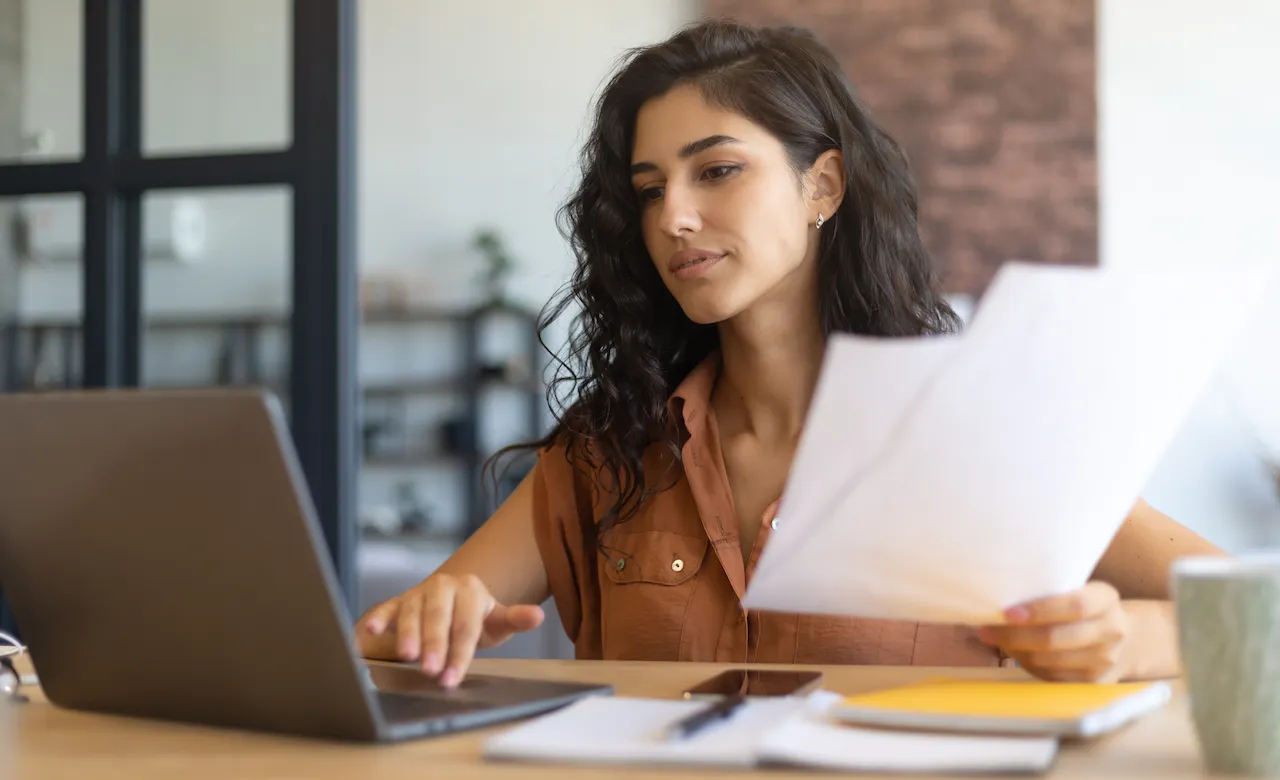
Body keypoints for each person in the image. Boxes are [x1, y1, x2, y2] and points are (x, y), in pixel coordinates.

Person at [356, 19, 1222, 687]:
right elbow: (390, 640)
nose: (674, 218)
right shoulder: (606, 450)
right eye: (650, 190)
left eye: (717, 171)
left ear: (822, 186)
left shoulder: (971, 433)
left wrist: (1129, 638)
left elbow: (1250, 606)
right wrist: (428, 620)